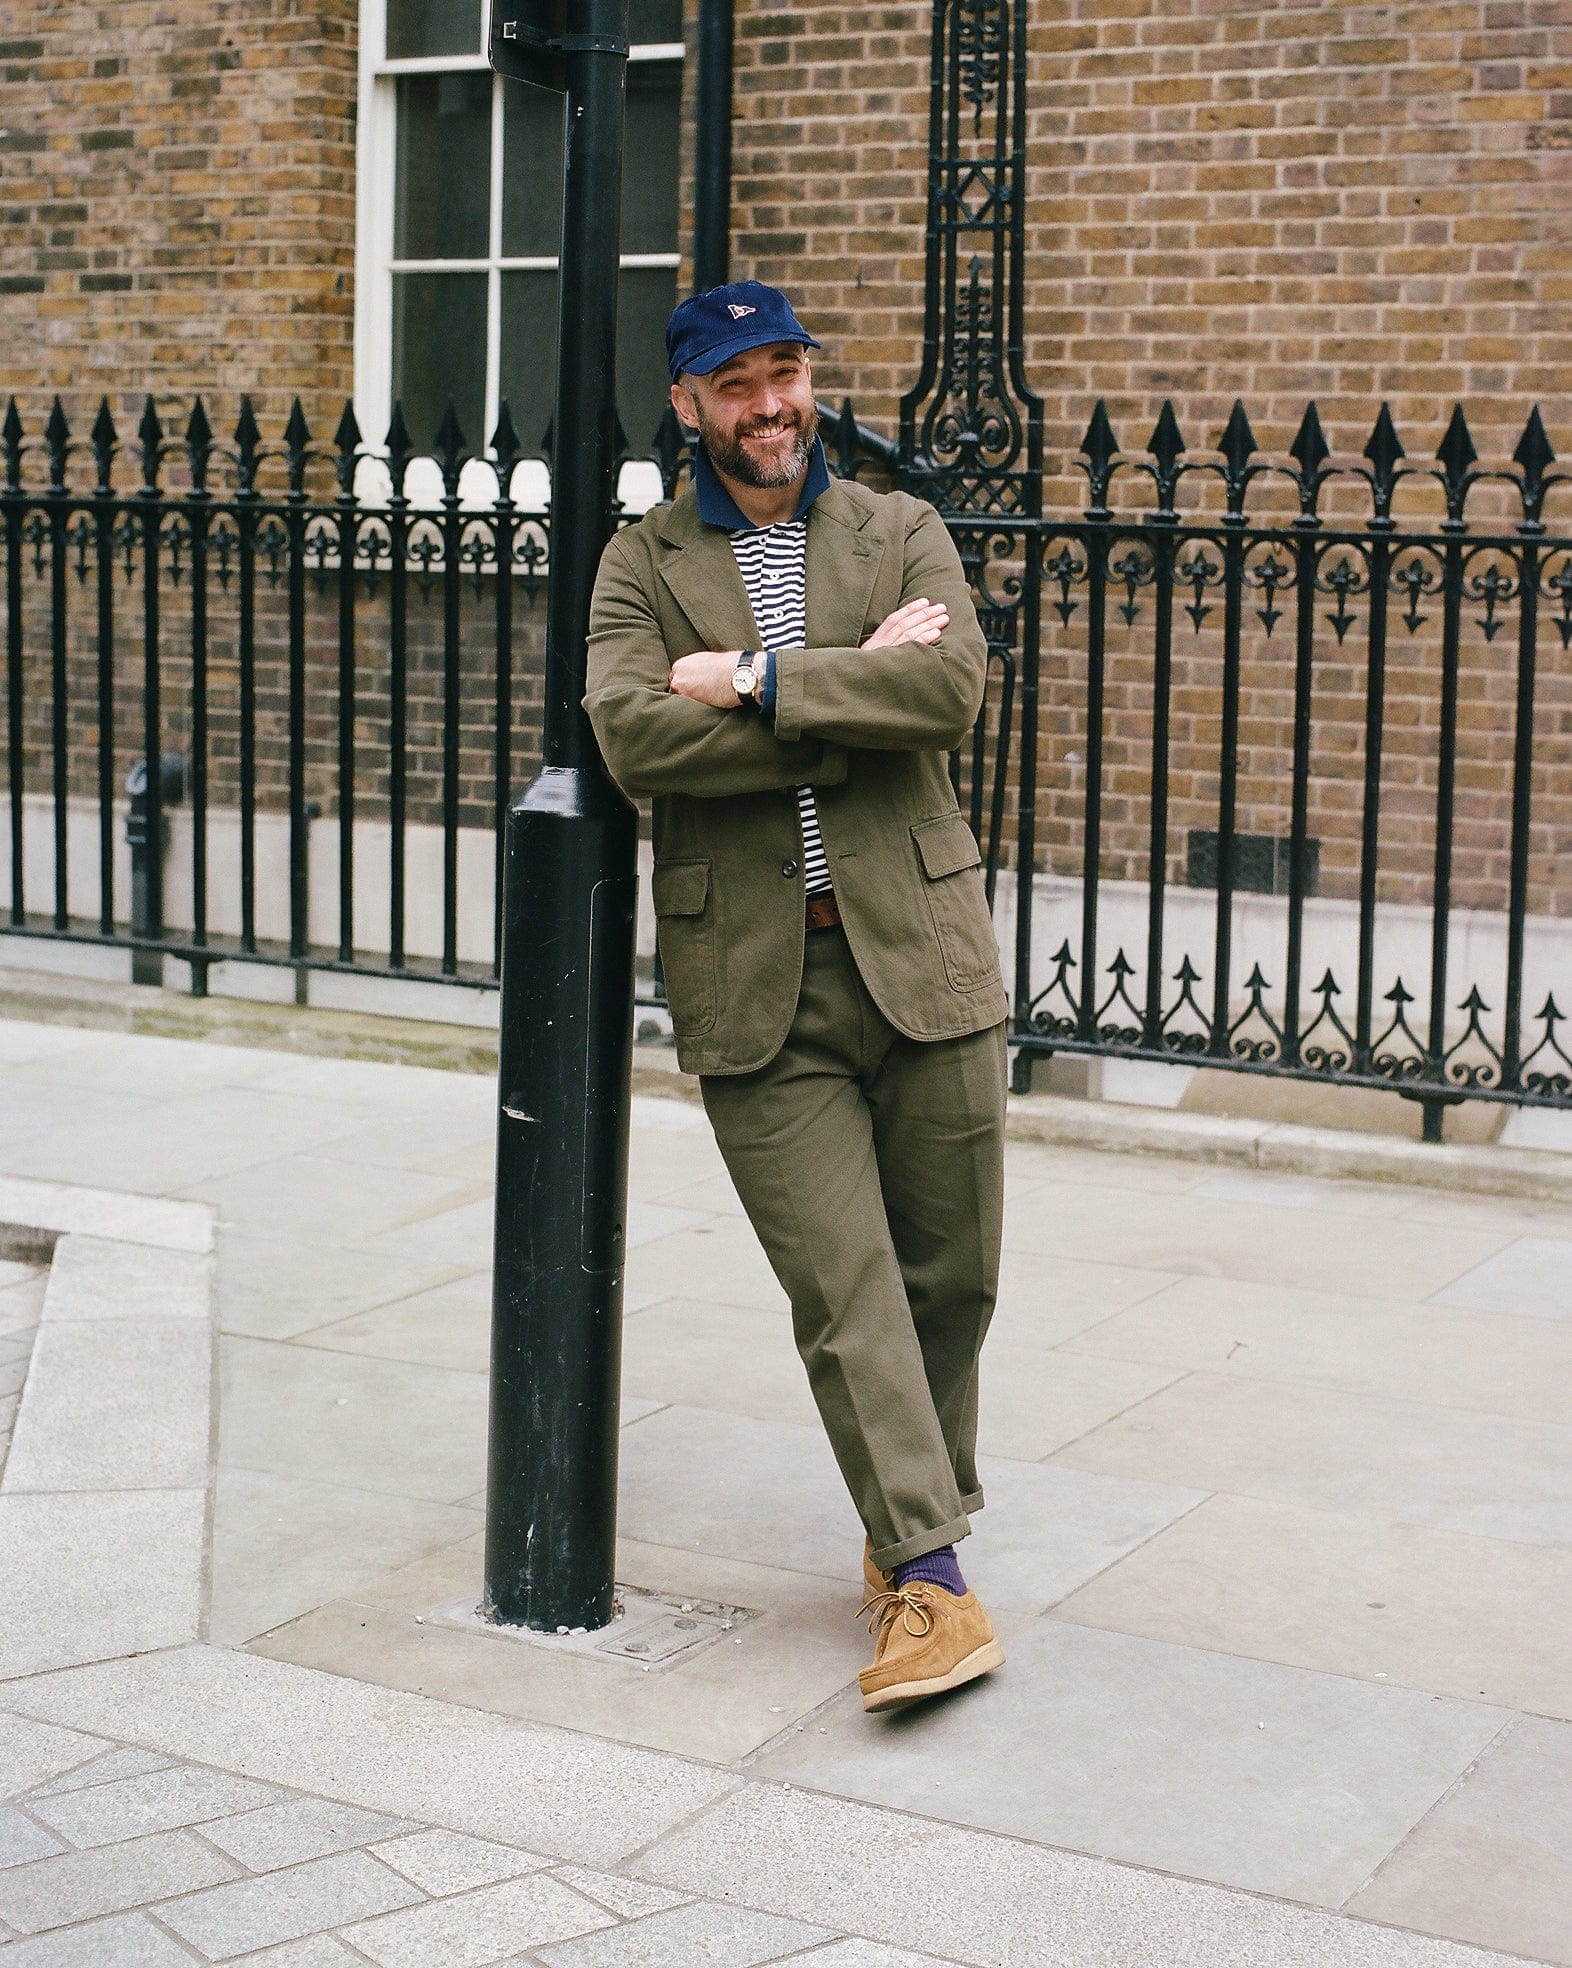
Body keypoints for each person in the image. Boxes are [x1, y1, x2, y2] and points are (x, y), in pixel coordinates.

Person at [585, 279, 1007, 1711]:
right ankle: (934, 1586)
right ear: (689, 406)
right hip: (758, 978)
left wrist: (758, 685)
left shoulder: (897, 528)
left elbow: (948, 696)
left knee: (951, 1280)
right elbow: (637, 741)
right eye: (737, 383)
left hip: (922, 954)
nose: (771, 406)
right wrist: (841, 702)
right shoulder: (639, 566)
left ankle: (905, 1539)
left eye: (787, 373)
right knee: (846, 1288)